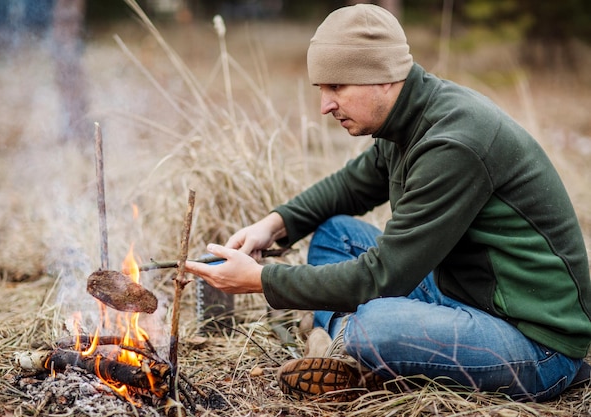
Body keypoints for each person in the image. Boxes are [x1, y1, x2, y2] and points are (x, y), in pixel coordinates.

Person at [185, 3, 591, 402]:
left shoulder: (453, 143)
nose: (324, 105)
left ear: (384, 78)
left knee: (376, 326)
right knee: (334, 234)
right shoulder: (408, 117)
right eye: (322, 88)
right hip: (464, 291)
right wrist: (273, 225)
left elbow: (383, 278)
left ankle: (345, 342)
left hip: (535, 342)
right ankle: (345, 341)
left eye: (336, 87)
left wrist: (262, 281)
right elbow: (351, 187)